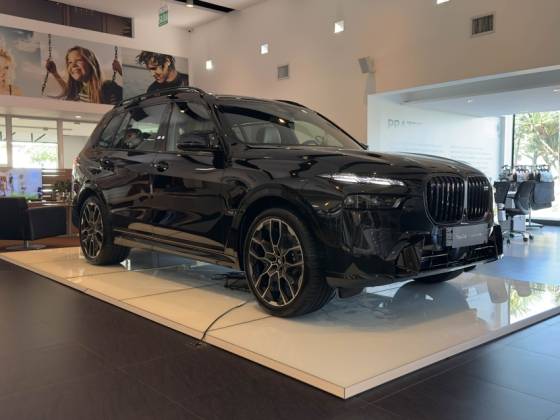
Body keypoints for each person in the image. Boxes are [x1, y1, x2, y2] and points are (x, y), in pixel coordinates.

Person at [45, 46, 122, 104]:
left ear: (91, 64)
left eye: (79, 60)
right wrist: (55, 73)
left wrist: (120, 70)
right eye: (70, 62)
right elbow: (68, 90)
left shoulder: (107, 86)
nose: (73, 65)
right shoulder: (81, 90)